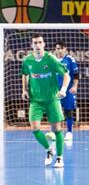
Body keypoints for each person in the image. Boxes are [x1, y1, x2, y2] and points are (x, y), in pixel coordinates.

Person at [22, 34, 69, 168]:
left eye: (40, 42)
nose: (37, 45)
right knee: (35, 129)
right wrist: (24, 90)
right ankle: (49, 150)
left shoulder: (51, 59)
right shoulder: (28, 61)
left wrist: (64, 89)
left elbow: (66, 75)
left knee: (57, 129)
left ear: (44, 44)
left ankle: (59, 158)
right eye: (35, 43)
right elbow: (25, 74)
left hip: (52, 99)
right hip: (35, 100)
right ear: (32, 45)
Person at [53, 41, 78, 145]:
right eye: (56, 48)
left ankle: (69, 132)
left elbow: (76, 74)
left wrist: (75, 86)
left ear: (65, 49)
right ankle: (55, 132)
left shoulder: (70, 60)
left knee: (68, 111)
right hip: (55, 90)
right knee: (55, 112)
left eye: (60, 48)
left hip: (67, 90)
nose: (58, 50)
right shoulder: (52, 60)